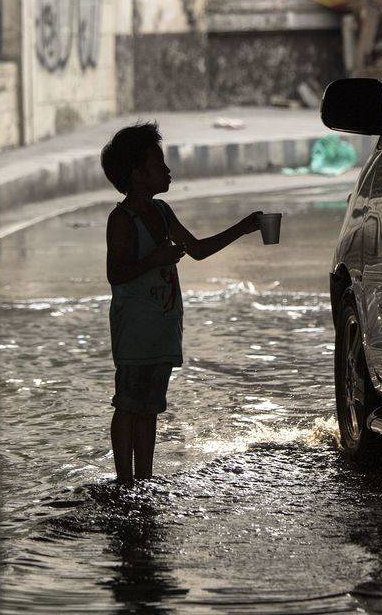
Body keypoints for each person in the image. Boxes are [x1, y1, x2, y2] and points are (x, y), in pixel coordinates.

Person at [100, 122, 261, 484]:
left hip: (163, 327)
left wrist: (243, 227)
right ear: (137, 174)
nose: (167, 170)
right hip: (134, 331)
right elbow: (116, 274)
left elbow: (198, 250)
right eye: (158, 164)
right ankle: (124, 481)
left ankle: (144, 480)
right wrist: (155, 259)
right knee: (128, 404)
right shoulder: (121, 219)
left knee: (150, 408)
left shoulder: (163, 212)